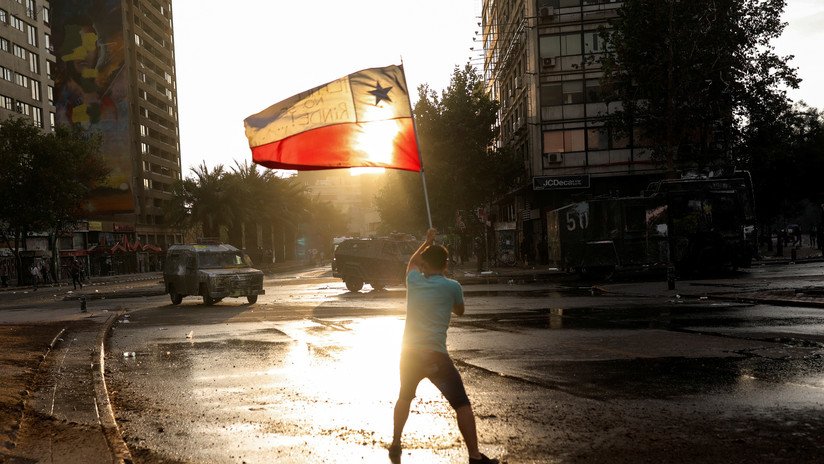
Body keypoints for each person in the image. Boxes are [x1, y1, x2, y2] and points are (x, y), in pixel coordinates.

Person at [389, 228, 498, 464]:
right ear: (446, 264)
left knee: (404, 397)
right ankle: (475, 456)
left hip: (409, 354)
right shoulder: (453, 287)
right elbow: (459, 311)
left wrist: (425, 241)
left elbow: (412, 261)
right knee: (461, 403)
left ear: (425, 264)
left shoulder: (414, 281)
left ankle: (396, 443)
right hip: (435, 356)